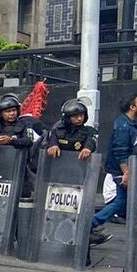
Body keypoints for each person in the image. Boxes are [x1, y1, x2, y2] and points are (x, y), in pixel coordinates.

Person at [42, 98, 103, 243]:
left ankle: (85, 236)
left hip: (80, 177)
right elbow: (50, 143)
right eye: (75, 116)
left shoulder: (89, 131)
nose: (79, 118)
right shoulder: (57, 131)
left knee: (81, 208)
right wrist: (52, 146)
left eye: (81, 115)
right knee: (57, 207)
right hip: (58, 176)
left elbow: (92, 141)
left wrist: (87, 148)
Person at [92, 93, 137, 231]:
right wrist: (126, 172)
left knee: (122, 201)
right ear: (132, 107)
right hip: (122, 171)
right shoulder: (123, 126)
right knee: (121, 202)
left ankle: (91, 224)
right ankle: (91, 223)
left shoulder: (128, 124)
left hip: (125, 170)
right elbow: (120, 151)